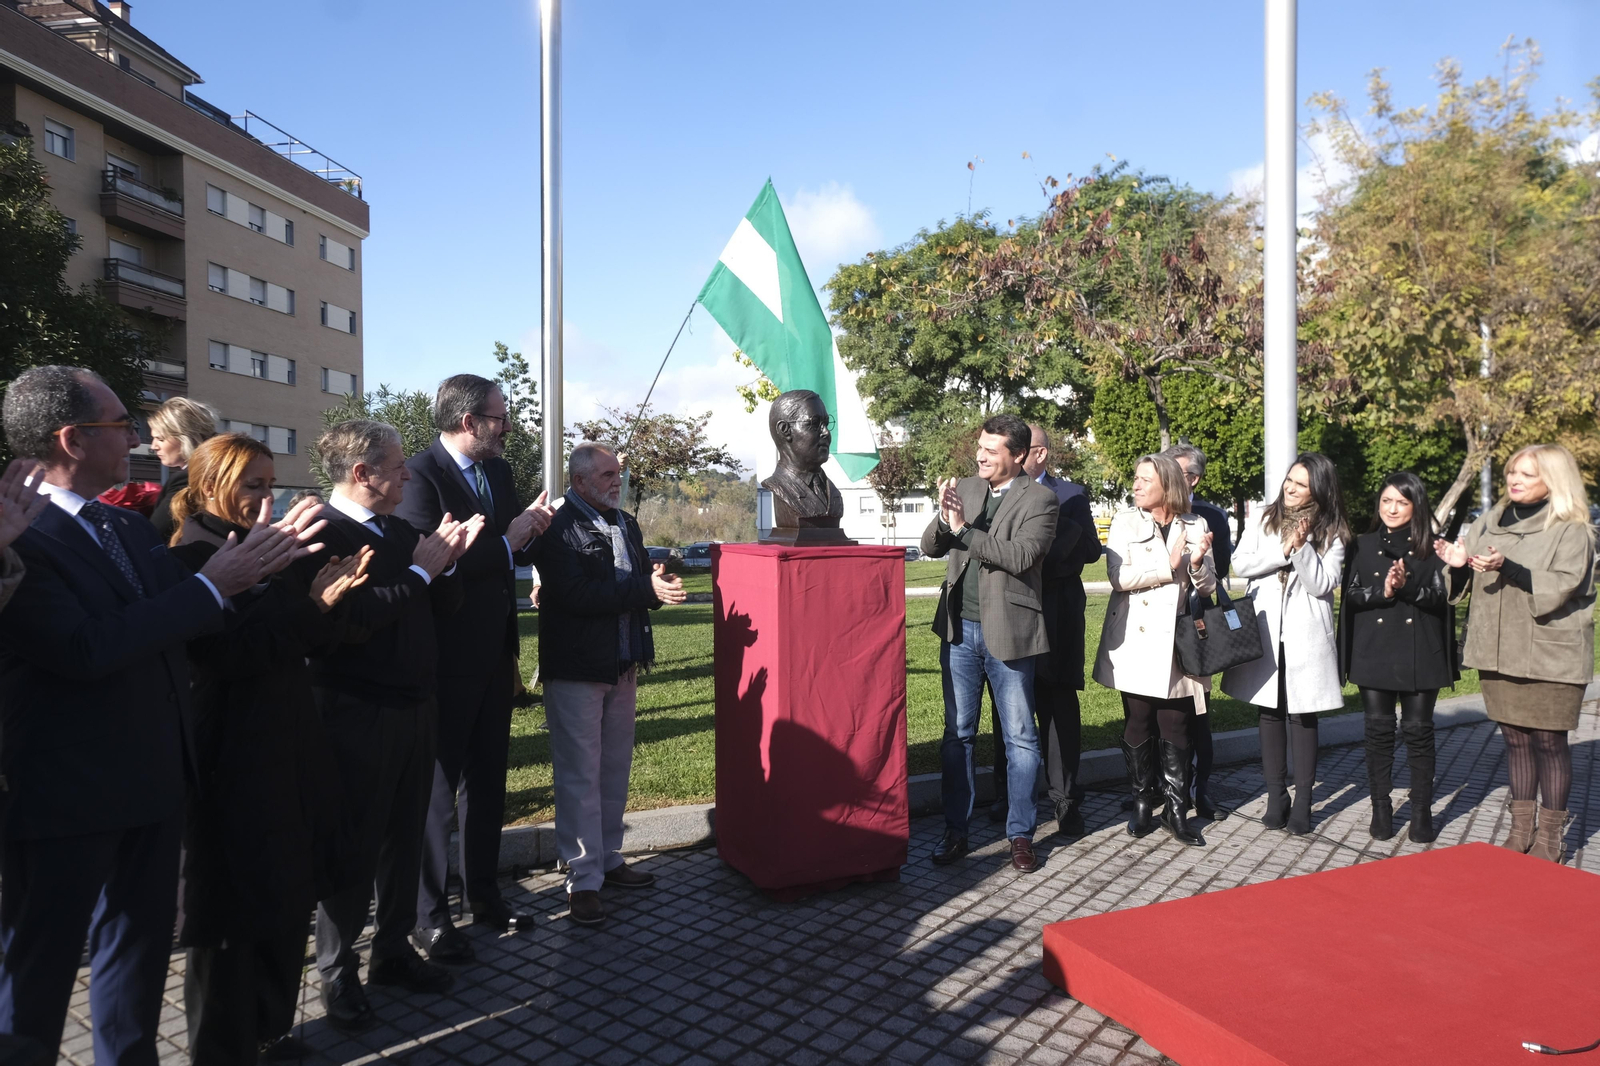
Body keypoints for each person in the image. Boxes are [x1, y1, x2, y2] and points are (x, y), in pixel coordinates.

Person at [0, 366, 315, 1063]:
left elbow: (179, 606)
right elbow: (84, 648)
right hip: (65, 796)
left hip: (153, 781)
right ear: (72, 439)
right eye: (120, 425)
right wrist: (211, 585)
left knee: (135, 968)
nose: (138, 437)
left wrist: (260, 566)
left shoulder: (122, 522)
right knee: (38, 980)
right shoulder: (15, 534)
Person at [166, 434, 372, 1064]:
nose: (267, 498)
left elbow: (306, 639)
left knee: (287, 897)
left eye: (269, 484)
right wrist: (307, 604)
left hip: (289, 746)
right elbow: (228, 655)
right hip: (233, 754)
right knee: (234, 913)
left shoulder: (265, 546)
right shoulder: (191, 556)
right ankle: (223, 1048)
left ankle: (269, 1031)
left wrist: (324, 599)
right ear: (207, 488)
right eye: (251, 485)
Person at [299, 420, 482, 1031]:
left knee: (404, 837)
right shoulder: (319, 534)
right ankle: (335, 971)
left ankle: (394, 951)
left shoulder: (402, 532)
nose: (408, 475)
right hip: (355, 713)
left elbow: (444, 607)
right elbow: (348, 621)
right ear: (362, 474)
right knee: (354, 845)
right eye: (398, 467)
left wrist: (449, 563)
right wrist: (424, 573)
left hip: (415, 708)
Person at [398, 374, 554, 960]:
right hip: (446, 656)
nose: (508, 427)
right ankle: (430, 917)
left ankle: (486, 896)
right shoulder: (419, 477)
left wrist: (536, 529)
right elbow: (436, 564)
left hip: (497, 653)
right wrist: (510, 541)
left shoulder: (500, 474)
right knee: (440, 789)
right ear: (470, 423)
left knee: (488, 781)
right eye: (500, 417)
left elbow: (512, 548)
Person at [533, 442, 685, 925]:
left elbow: (634, 581)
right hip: (578, 668)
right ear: (578, 483)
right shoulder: (558, 529)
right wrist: (644, 587)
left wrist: (653, 580)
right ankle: (582, 880)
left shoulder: (626, 521)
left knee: (614, 768)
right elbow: (575, 594)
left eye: (617, 473)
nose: (616, 481)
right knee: (580, 774)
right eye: (605, 475)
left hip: (622, 663)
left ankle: (609, 859)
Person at [1438, 444, 1596, 864]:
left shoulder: (1572, 528)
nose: (1515, 479)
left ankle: (1550, 838)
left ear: (1553, 480)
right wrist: (1456, 563)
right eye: (1512, 472)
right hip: (1498, 650)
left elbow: (1566, 583)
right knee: (1515, 742)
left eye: (1527, 474)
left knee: (1548, 742)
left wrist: (1508, 566)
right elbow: (1465, 574)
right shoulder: (1488, 522)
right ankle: (1520, 831)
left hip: (1550, 655)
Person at [919, 414, 1058, 872]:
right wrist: (944, 518)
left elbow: (1019, 556)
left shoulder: (1041, 500)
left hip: (1009, 632)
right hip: (959, 630)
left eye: (992, 450)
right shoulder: (966, 487)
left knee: (1020, 738)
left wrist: (963, 530)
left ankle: (1020, 834)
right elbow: (930, 547)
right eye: (980, 446)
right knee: (957, 735)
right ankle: (956, 830)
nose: (980, 455)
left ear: (1018, 456)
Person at [1222, 453, 1350, 835]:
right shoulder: (1263, 517)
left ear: (1319, 490)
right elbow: (1240, 565)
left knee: (1302, 716)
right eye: (1289, 480)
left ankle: (1305, 802)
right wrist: (1280, 550)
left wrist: (1301, 547)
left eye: (1301, 484)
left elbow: (1323, 584)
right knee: (1269, 713)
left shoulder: (1333, 532)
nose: (1290, 489)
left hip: (1306, 636)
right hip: (1264, 629)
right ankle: (1277, 795)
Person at [1093, 453, 1217, 847]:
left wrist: (1196, 563)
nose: (1136, 485)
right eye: (1136, 478)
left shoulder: (1197, 523)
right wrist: (1169, 563)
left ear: (1168, 483)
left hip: (1180, 639)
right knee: (1139, 721)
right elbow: (1118, 577)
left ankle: (1176, 812)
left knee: (1177, 724)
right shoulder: (1126, 521)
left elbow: (1209, 586)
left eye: (1145, 479)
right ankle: (1143, 802)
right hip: (1137, 637)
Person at [1337, 471, 1455, 843]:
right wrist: (1383, 590)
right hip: (1375, 650)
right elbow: (1351, 595)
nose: (1392, 508)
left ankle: (1421, 811)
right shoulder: (1363, 543)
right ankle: (1381, 808)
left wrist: (1408, 587)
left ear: (1416, 506)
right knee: (1378, 732)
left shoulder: (1433, 546)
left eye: (1401, 502)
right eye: (1386, 501)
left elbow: (1441, 598)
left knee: (1419, 733)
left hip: (1421, 650)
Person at [1022, 424, 1100, 836]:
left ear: (1041, 454)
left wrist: (1055, 538)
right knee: (1012, 706)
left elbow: (1091, 550)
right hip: (1014, 613)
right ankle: (1009, 793)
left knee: (1059, 707)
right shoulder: (998, 491)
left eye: (1023, 447)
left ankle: (1065, 796)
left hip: (1059, 614)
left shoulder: (1070, 495)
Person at [1163, 443, 1236, 820]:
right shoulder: (1147, 512)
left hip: (1196, 625)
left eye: (1172, 470)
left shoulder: (1210, 516)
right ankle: (1160, 789)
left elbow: (1216, 571)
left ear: (1192, 478)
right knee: (1157, 710)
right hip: (1155, 627)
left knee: (1197, 711)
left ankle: (1200, 790)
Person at [146, 395, 218, 541]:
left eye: (160, 439)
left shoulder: (187, 478)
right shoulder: (216, 469)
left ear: (185, 438)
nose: (153, 446)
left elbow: (154, 533)